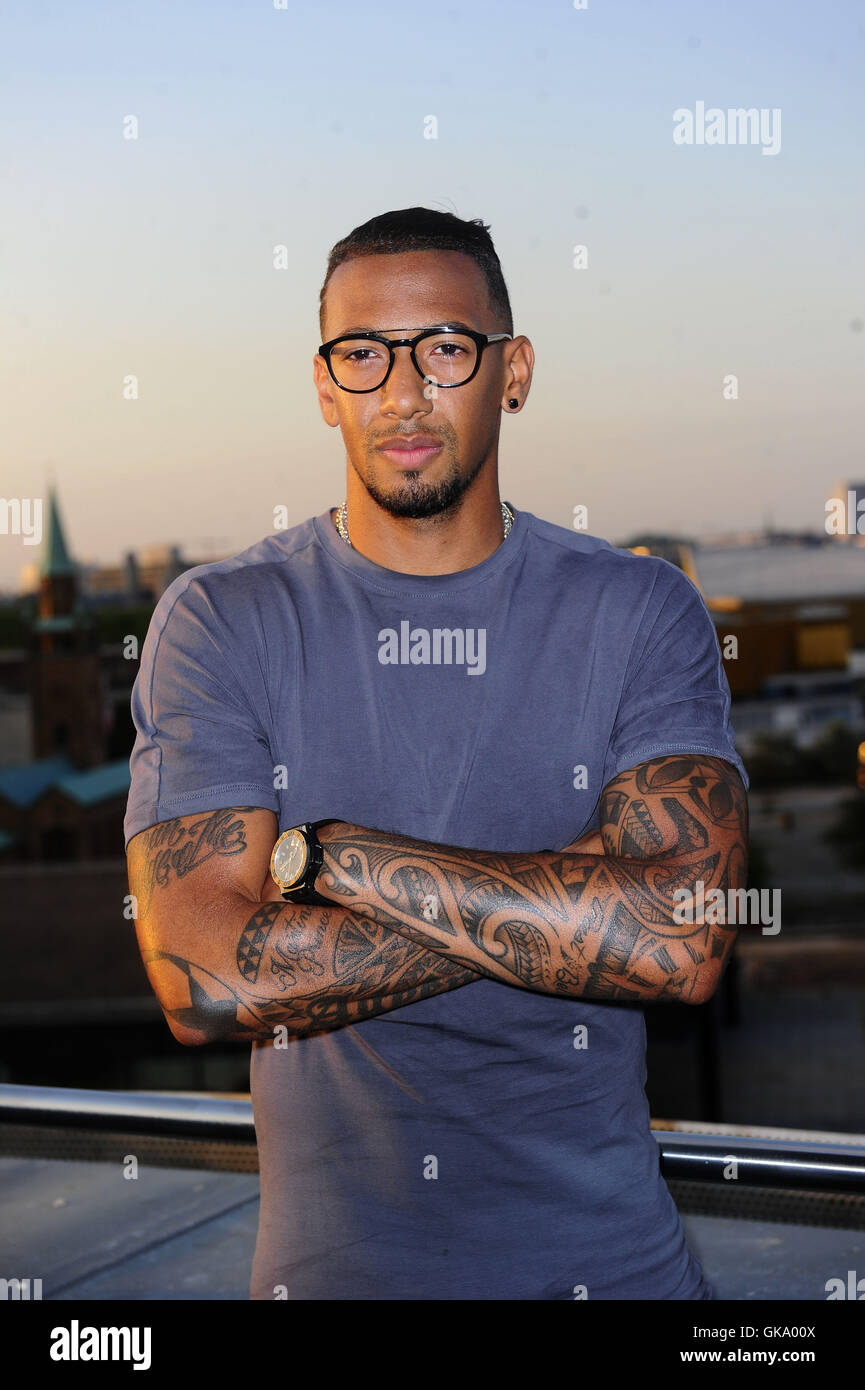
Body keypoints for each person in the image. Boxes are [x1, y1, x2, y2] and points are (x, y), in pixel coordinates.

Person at [124, 206, 749, 1300]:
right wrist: (581, 898)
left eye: (444, 349)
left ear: (511, 372)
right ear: (323, 387)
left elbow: (685, 944)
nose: (402, 391)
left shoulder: (639, 607)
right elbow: (203, 982)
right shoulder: (222, 619)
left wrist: (326, 860)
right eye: (361, 354)